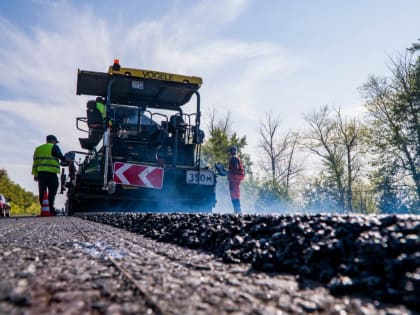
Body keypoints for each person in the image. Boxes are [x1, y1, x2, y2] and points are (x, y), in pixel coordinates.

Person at [32, 135, 68, 216]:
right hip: (51, 173)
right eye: (55, 141)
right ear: (52, 140)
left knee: (42, 192)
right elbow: (60, 156)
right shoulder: (54, 147)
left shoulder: (38, 149)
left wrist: (35, 174)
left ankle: (45, 209)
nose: (55, 143)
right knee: (52, 191)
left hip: (41, 173)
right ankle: (50, 209)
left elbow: (35, 163)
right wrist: (67, 161)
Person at [228, 145, 245, 213]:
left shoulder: (234, 158)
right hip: (234, 180)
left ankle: (237, 211)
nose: (232, 152)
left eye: (232, 150)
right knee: (235, 195)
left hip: (234, 180)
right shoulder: (235, 158)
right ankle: (237, 211)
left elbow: (235, 169)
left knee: (235, 195)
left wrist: (229, 172)